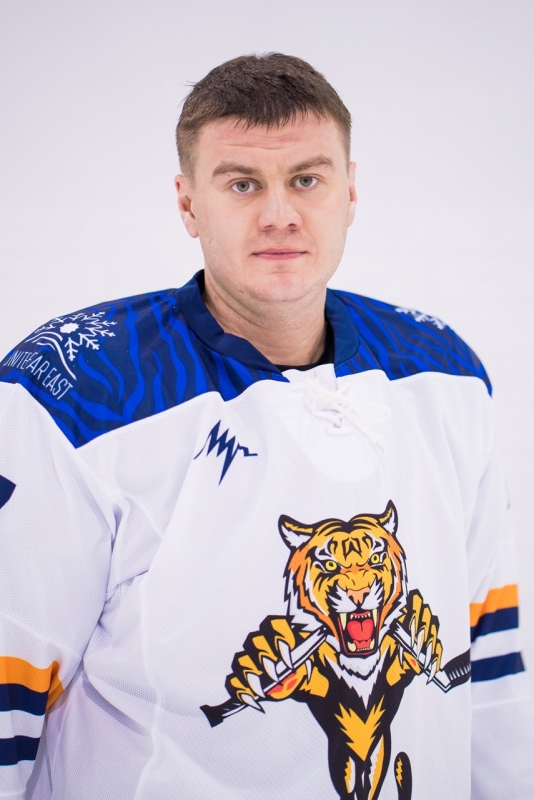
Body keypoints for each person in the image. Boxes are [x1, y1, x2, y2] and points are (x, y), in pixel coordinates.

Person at [0, 53, 531, 800]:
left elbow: (492, 670)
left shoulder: (445, 373)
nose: (280, 214)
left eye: (307, 179)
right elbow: (9, 685)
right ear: (188, 204)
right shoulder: (76, 392)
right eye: (243, 183)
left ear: (351, 191)